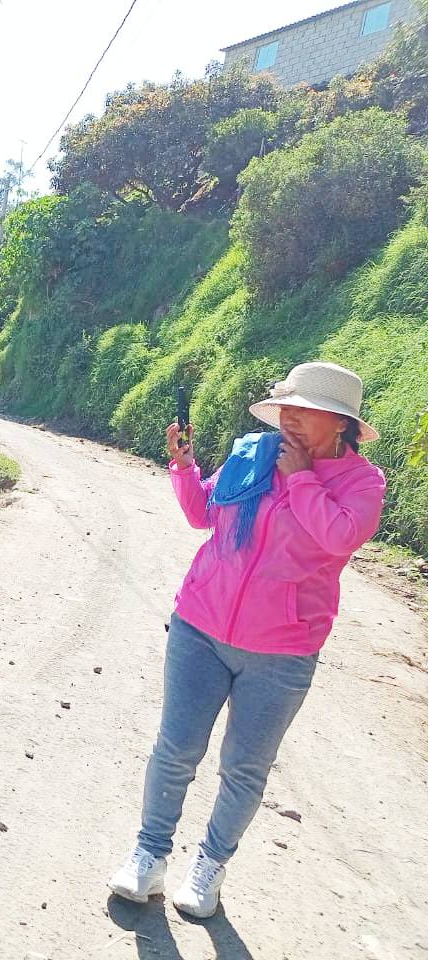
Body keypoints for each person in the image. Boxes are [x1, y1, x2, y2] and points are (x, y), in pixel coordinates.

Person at [108, 361, 386, 918]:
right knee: (176, 748)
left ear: (341, 423)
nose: (289, 418)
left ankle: (210, 866)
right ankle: (150, 855)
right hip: (200, 625)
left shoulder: (362, 484)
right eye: (286, 406)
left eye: (304, 409)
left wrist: (302, 477)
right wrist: (184, 467)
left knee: (244, 768)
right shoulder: (252, 451)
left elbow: (338, 536)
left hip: (282, 653)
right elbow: (203, 515)